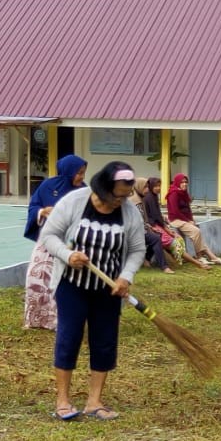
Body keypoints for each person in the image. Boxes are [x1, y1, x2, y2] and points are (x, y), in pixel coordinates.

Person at [40, 161, 146, 421]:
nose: (121, 201)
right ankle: (63, 401)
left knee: (104, 341)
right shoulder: (75, 201)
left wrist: (125, 276)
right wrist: (68, 255)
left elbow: (137, 250)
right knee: (69, 338)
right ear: (104, 188)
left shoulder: (130, 213)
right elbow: (49, 235)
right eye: (117, 195)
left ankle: (94, 402)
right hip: (72, 285)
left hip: (108, 290)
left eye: (125, 196)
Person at [22, 154, 87, 330]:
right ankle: (36, 318)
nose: (81, 177)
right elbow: (33, 206)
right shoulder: (48, 186)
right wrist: (43, 211)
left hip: (69, 243)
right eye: (79, 173)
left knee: (61, 280)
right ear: (68, 171)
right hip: (47, 240)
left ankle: (60, 321)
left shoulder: (84, 192)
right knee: (37, 277)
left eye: (83, 173)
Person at [144, 177, 211, 270]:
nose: (158, 188)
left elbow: (157, 214)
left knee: (172, 239)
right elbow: (156, 216)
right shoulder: (150, 197)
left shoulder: (153, 196)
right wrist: (166, 228)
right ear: (150, 186)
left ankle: (147, 260)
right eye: (155, 186)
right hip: (153, 226)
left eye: (159, 186)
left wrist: (164, 221)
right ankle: (198, 263)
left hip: (157, 224)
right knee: (175, 243)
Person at [165, 173, 221, 265]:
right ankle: (201, 257)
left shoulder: (183, 193)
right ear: (177, 182)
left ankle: (212, 257)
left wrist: (191, 219)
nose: (185, 184)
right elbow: (175, 211)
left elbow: (188, 209)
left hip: (184, 220)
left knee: (197, 235)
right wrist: (188, 221)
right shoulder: (173, 193)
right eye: (182, 182)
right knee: (196, 232)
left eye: (186, 182)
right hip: (175, 220)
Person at [129, 177, 173, 274]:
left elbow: (143, 219)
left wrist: (149, 227)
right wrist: (150, 228)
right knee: (156, 238)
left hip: (138, 230)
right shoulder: (136, 201)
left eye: (148, 187)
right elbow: (138, 221)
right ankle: (164, 267)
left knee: (157, 236)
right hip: (132, 233)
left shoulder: (139, 197)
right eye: (145, 187)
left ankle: (147, 260)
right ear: (139, 187)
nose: (147, 190)